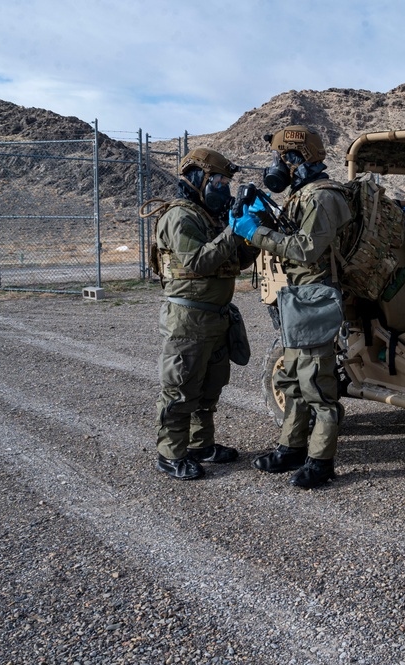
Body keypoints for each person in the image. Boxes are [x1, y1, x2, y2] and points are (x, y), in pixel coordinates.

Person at [230, 125, 354, 489]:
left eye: (284, 158)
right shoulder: (303, 196)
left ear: (300, 159)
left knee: (317, 382)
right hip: (298, 295)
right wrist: (261, 218)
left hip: (316, 296)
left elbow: (305, 249)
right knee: (293, 378)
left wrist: (256, 232)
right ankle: (291, 448)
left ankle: (321, 461)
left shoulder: (321, 197)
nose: (278, 167)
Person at [153, 148, 260, 480]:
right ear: (198, 178)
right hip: (188, 320)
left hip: (216, 316)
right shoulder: (180, 217)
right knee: (181, 387)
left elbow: (239, 261)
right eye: (218, 180)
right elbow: (198, 262)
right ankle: (170, 453)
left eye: (226, 182)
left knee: (209, 388)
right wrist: (233, 231)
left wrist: (251, 231)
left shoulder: (210, 217)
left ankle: (201, 445)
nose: (223, 188)